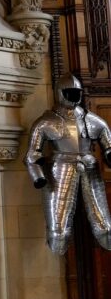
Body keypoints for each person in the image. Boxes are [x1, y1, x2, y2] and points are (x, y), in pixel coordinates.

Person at [25, 73, 111, 255]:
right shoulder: (46, 122)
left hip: (89, 168)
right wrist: (38, 178)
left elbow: (108, 146)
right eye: (69, 92)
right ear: (60, 93)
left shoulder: (93, 120)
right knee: (58, 234)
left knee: (105, 230)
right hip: (60, 170)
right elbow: (32, 156)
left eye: (76, 92)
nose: (74, 96)